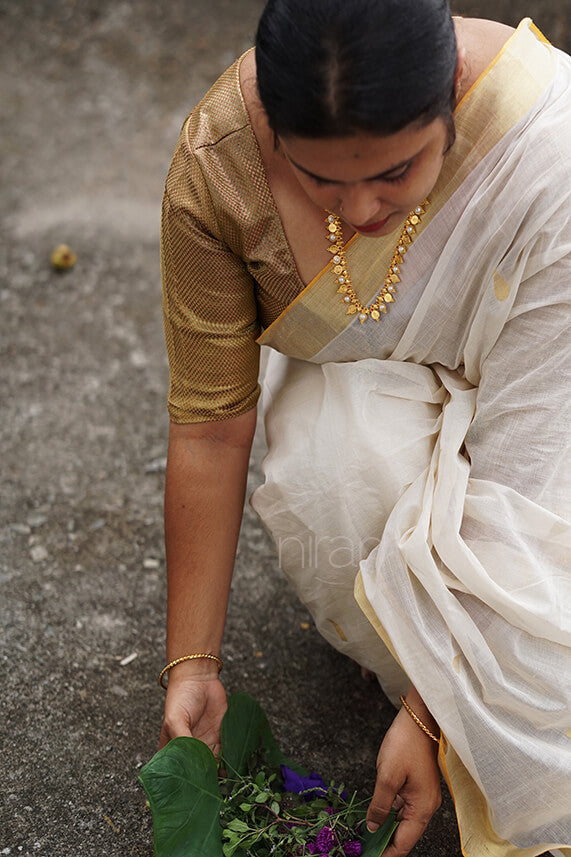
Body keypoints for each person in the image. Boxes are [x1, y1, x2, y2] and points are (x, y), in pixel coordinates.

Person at [156, 1, 571, 855]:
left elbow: (533, 470)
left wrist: (430, 710)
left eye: (395, 171)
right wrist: (191, 663)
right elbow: (209, 427)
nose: (359, 210)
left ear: (452, 89)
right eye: (320, 180)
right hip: (381, 396)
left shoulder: (547, 154)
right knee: (330, 470)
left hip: (550, 409)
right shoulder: (218, 171)